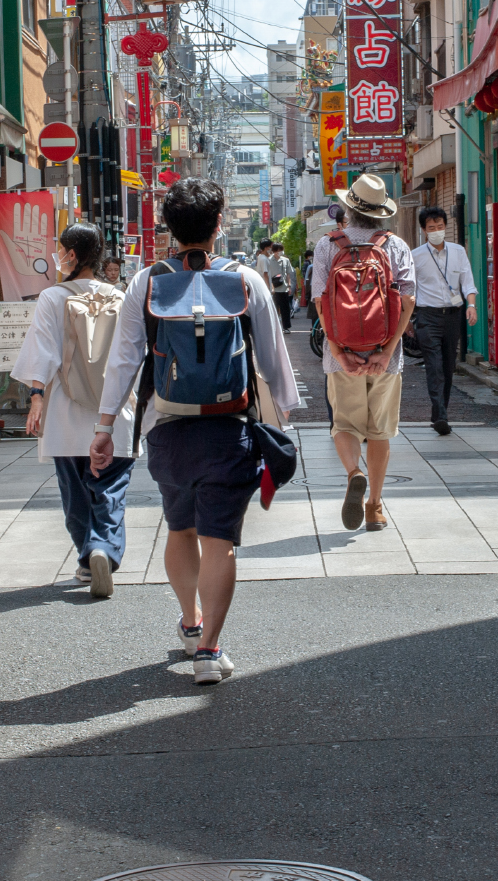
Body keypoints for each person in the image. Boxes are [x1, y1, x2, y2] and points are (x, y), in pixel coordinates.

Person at [91, 178, 299, 685]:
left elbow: (124, 360)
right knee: (220, 540)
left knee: (179, 527)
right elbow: (273, 357)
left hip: (168, 428)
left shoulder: (146, 281)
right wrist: (286, 416)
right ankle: (209, 652)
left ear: (168, 227)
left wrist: (104, 427)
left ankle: (190, 623)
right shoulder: (246, 279)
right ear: (219, 224)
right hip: (230, 430)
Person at [10, 223, 136, 598]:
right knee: (111, 487)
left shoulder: (53, 298)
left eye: (60, 248)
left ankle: (86, 557)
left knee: (75, 490)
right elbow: (133, 355)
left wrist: (36, 397)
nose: (57, 253)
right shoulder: (121, 296)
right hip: (113, 412)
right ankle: (104, 548)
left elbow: (42, 351)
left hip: (65, 409)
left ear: (73, 255)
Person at [312, 174, 416, 532]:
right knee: (380, 431)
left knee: (344, 425)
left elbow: (321, 303)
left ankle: (354, 473)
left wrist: (339, 352)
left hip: (341, 355)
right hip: (386, 356)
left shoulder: (328, 245)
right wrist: (386, 352)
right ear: (381, 212)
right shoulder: (395, 246)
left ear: (348, 208)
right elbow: (408, 300)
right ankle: (374, 506)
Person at [409, 205, 476, 436]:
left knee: (448, 367)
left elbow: (467, 281)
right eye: (431, 227)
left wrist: (472, 306)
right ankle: (441, 415)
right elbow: (410, 289)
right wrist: (408, 319)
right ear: (424, 230)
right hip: (427, 316)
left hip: (453, 316)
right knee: (434, 366)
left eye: (440, 226)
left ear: (446, 227)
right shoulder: (416, 256)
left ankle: (439, 413)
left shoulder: (458, 252)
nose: (436, 230)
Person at [271, 242, 296, 330]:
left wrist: (289, 286)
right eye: (278, 250)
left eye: (281, 250)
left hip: (284, 288)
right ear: (274, 251)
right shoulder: (269, 260)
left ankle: (286, 327)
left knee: (285, 309)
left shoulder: (286, 260)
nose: (280, 252)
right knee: (274, 309)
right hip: (273, 289)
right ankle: (275, 328)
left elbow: (288, 274)